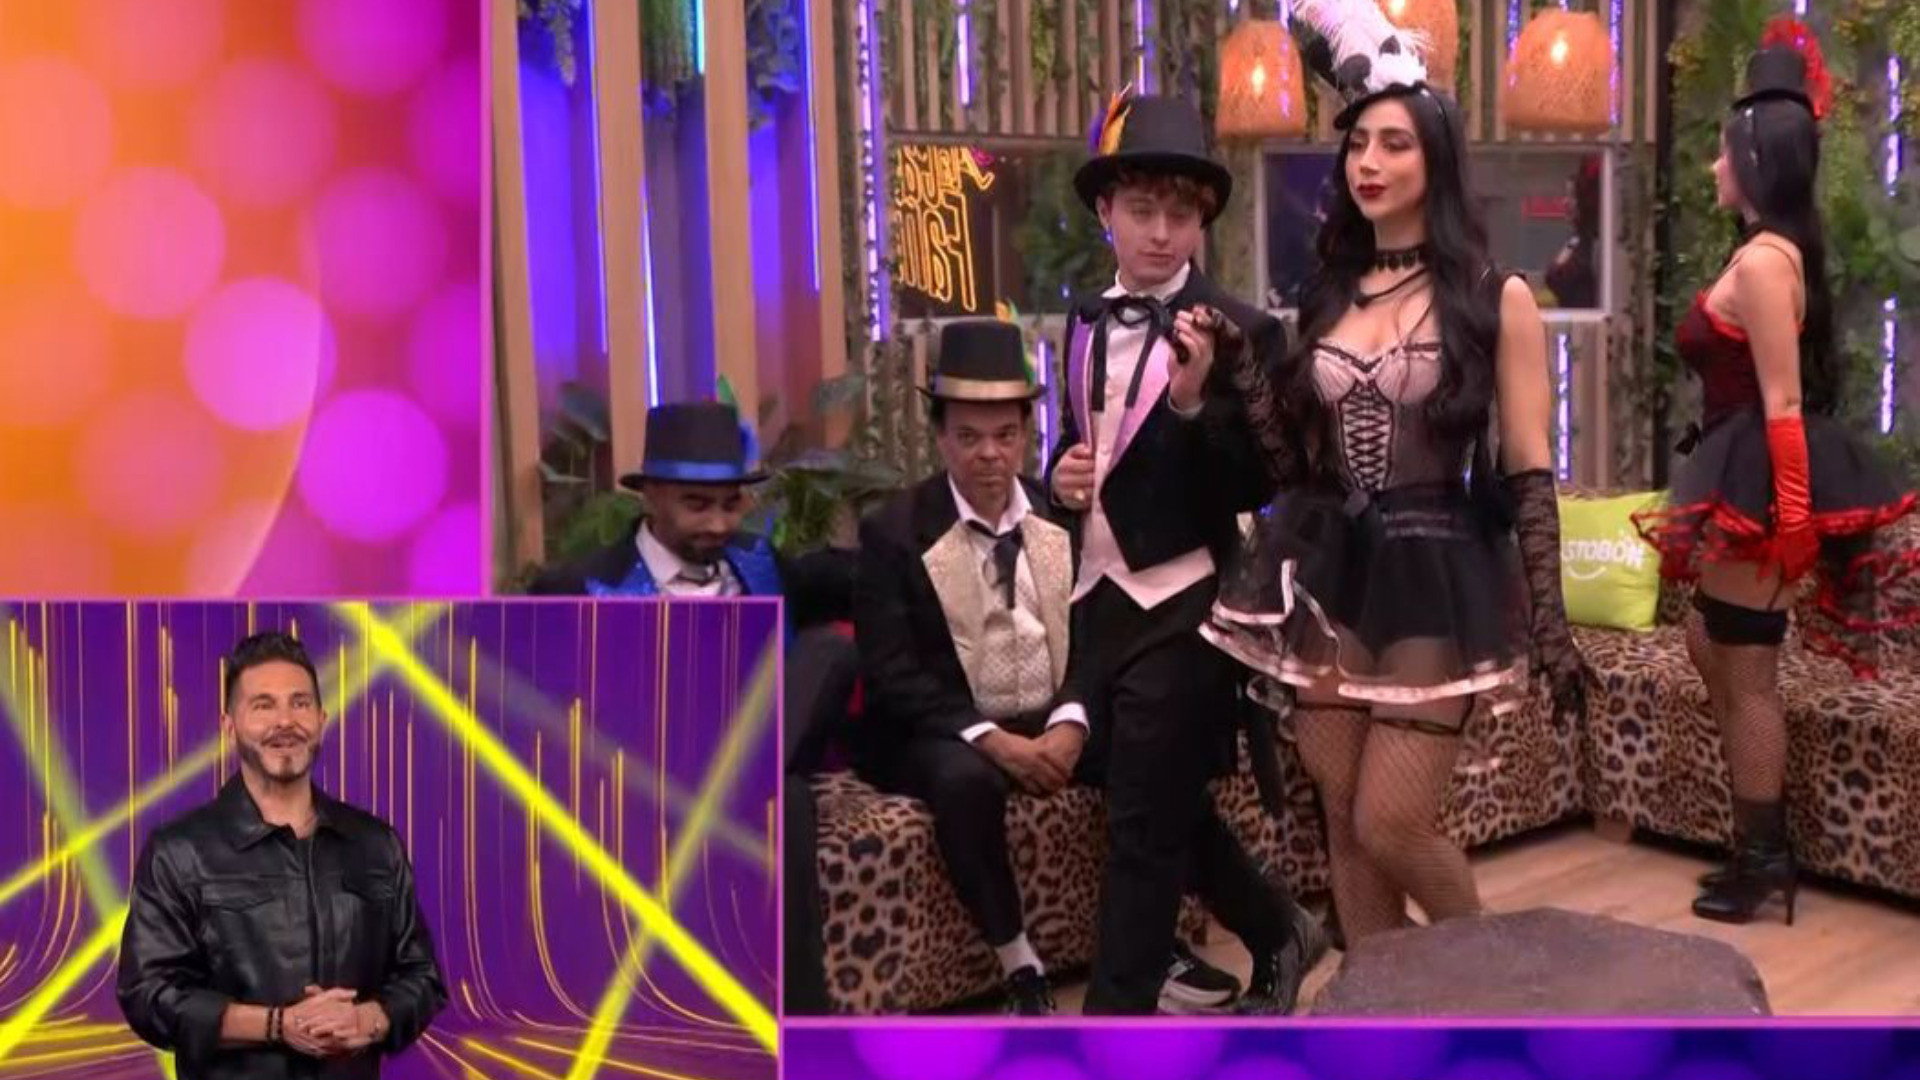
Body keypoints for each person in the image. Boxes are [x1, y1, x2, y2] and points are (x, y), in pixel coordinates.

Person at [1197, 1, 1589, 947]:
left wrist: (1552, 620)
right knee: (1343, 821)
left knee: (1392, 822)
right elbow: (1295, 465)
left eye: (1395, 145)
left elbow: (1528, 465)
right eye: (1359, 144)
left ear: (1437, 161)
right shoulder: (1329, 293)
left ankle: (1490, 993)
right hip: (1332, 569)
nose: (1368, 163)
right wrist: (1242, 371)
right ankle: (1380, 1010)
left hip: (1436, 574)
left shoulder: (1496, 298)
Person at [849, 319, 1239, 1015]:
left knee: (1153, 753)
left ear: (1028, 433)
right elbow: (893, 674)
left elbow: (1092, 638)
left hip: (1047, 710)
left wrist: (1071, 720)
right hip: (947, 728)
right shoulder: (893, 531)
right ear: (940, 437)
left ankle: (1157, 943)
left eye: (1005, 435)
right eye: (969, 437)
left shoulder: (1061, 520)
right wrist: (992, 740)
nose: (989, 454)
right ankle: (1021, 965)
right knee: (965, 783)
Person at [1632, 18, 1918, 924]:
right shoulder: (1765, 252)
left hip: (1758, 478)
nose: (1715, 166)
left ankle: (1763, 860)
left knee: (1746, 667)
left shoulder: (1763, 263)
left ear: (1757, 161)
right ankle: (1759, 838)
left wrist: (1793, 519)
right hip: (1743, 471)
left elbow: (1783, 402)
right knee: (1709, 641)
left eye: (1725, 153)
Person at [1049, 91, 1323, 1016]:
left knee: (1141, 827)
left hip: (1190, 602)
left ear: (1202, 221)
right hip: (1097, 598)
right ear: (1106, 212)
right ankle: (1278, 926)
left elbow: (1260, 480)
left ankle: (1108, 1032)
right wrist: (1059, 473)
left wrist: (1193, 404)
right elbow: (1081, 442)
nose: (1161, 233)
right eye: (1142, 211)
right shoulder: (1082, 320)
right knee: (1147, 793)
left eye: (1179, 214)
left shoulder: (1245, 328)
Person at [118, 632, 446, 1080]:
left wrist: (367, 1019)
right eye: (263, 705)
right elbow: (148, 995)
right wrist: (278, 1025)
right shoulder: (178, 851)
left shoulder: (376, 843)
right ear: (229, 726)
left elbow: (422, 977)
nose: (285, 721)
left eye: (300, 703)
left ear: (321, 719)